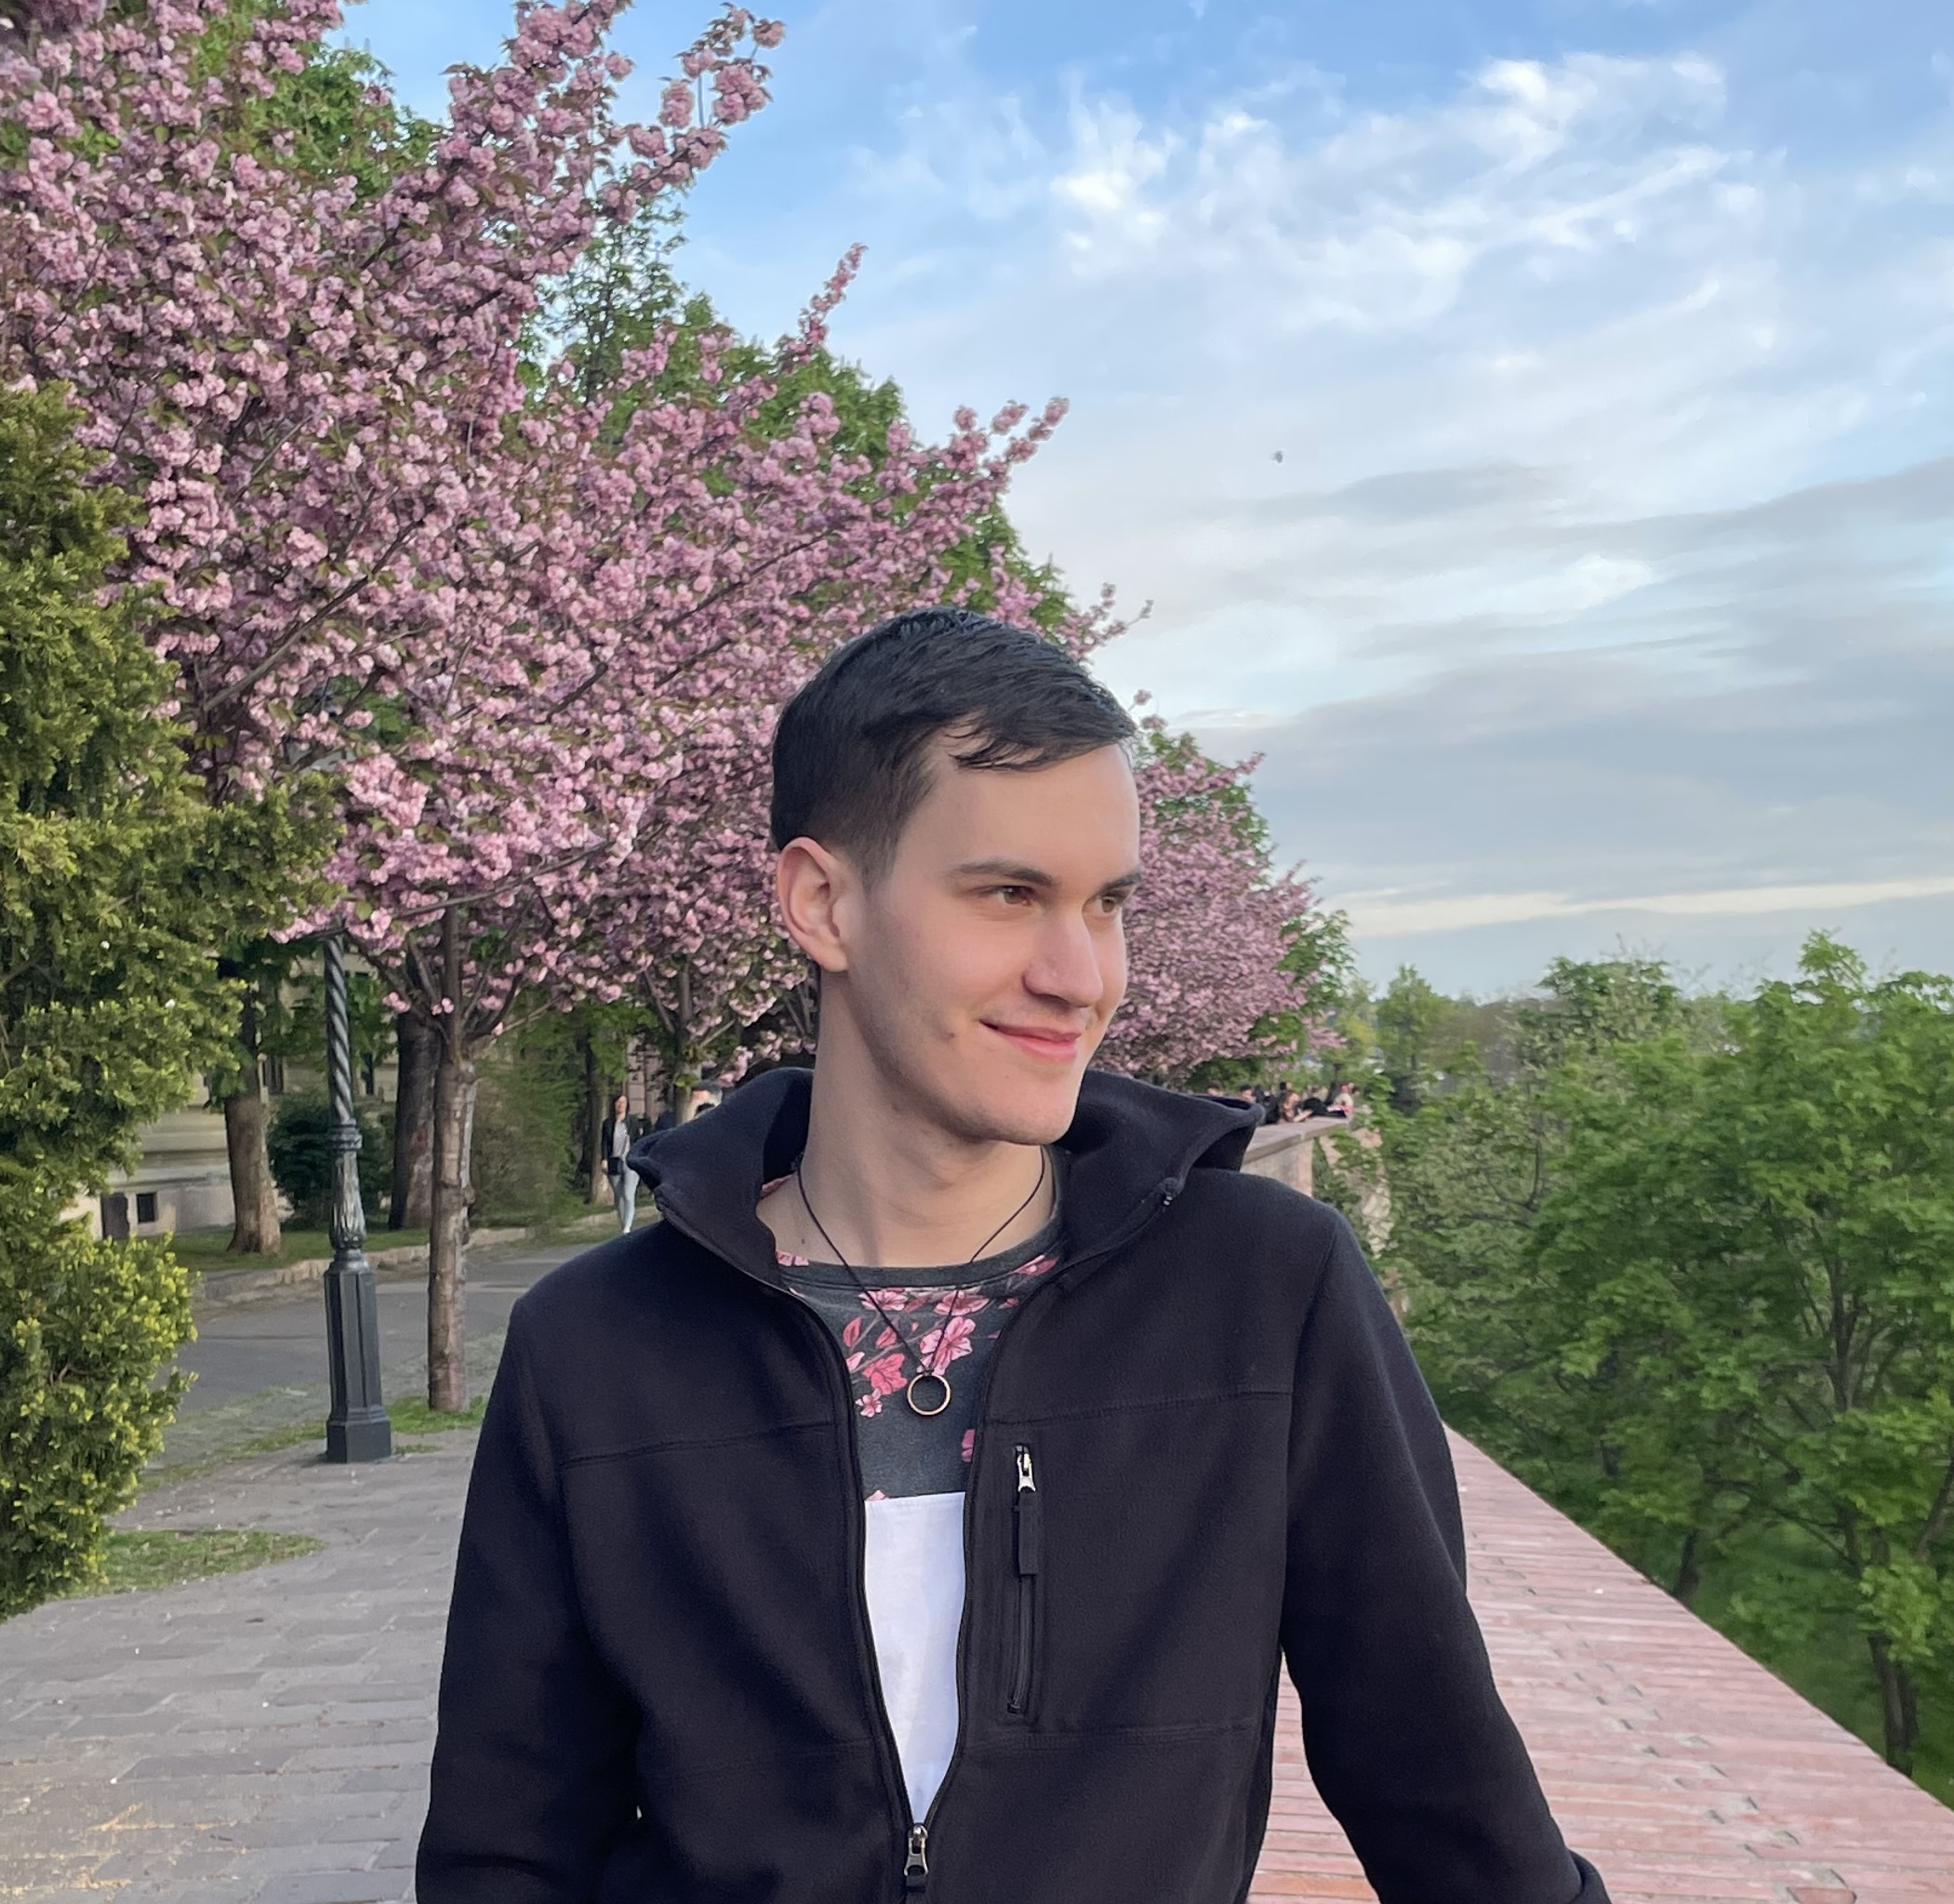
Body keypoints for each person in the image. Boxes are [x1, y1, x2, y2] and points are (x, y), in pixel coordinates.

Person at [418, 607, 1608, 1904]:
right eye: (1008, 894)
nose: (1078, 972)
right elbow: (508, 1846)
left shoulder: (1265, 1291)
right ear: (823, 901)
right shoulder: (595, 1346)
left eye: (1106, 904)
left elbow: (1441, 1780)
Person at [599, 1093, 643, 1233]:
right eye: (618, 1102)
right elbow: (605, 1142)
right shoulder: (608, 1123)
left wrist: (637, 1156)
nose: (620, 1105)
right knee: (619, 1196)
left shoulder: (632, 1121)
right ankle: (623, 1223)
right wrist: (604, 1159)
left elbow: (638, 1139)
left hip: (630, 1161)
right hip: (614, 1162)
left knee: (628, 1194)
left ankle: (627, 1227)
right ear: (614, 1105)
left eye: (623, 1102)